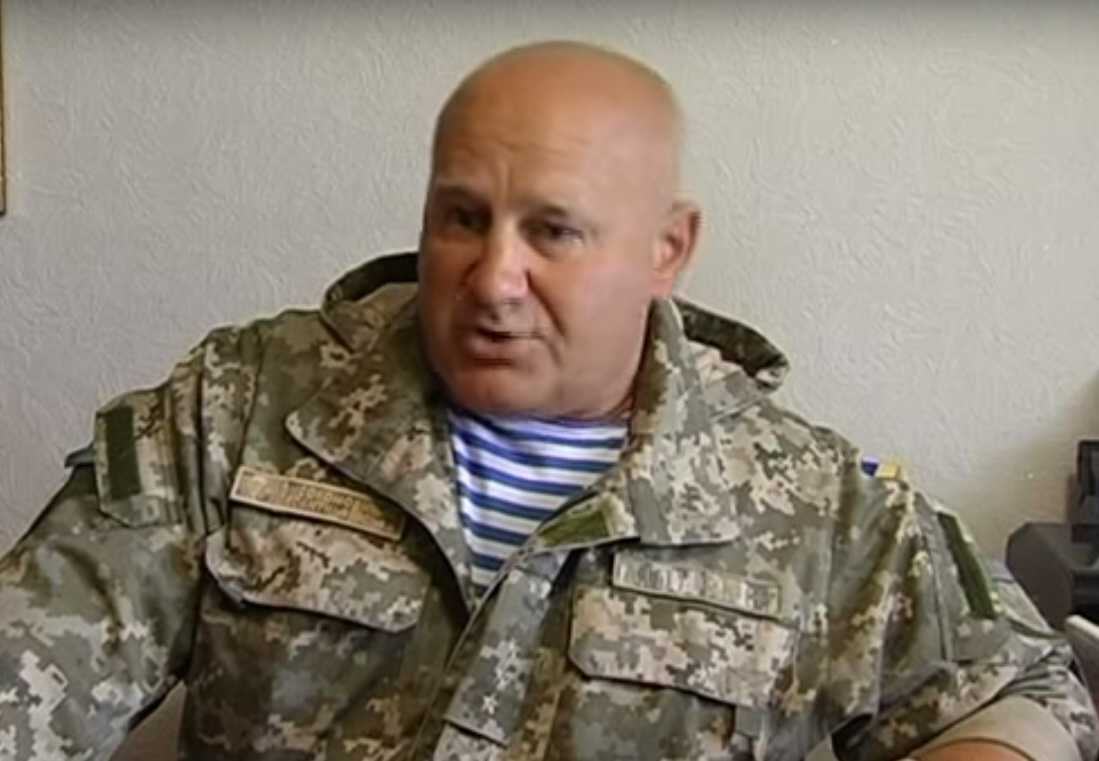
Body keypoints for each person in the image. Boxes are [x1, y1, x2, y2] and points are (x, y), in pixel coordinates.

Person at [0, 40, 1095, 761]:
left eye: (553, 231)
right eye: (461, 217)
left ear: (666, 248)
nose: (493, 279)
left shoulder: (814, 506)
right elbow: (27, 664)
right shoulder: (241, 408)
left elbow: (1025, 689)